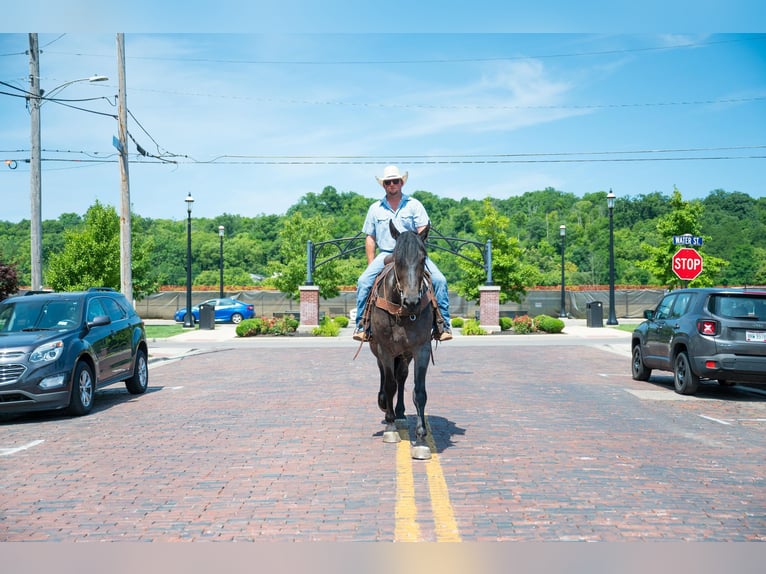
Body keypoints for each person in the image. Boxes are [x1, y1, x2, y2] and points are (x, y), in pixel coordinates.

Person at [353, 165, 452, 342]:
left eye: (395, 181)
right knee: (363, 282)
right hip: (386, 253)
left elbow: (423, 230)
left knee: (439, 280)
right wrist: (371, 264)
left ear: (401, 183)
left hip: (412, 254)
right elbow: (370, 237)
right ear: (383, 185)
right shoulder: (375, 208)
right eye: (388, 182)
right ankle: (363, 325)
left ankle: (442, 325)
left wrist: (415, 251)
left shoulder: (414, 205)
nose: (392, 184)